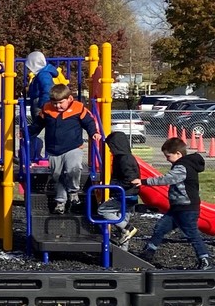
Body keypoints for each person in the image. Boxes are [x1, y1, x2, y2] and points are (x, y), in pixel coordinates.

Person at [134, 138, 212, 269]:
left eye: (168, 156)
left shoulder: (183, 167)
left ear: (178, 154)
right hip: (177, 207)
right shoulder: (182, 165)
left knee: (191, 233)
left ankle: (205, 259)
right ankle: (149, 252)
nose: (166, 159)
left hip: (187, 208)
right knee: (161, 228)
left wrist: (144, 181)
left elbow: (167, 179)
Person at [27, 84, 101, 214]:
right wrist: (27, 133)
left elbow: (89, 122)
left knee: (74, 168)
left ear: (69, 99)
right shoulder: (47, 109)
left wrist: (93, 132)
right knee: (57, 175)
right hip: (53, 149)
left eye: (61, 103)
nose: (58, 106)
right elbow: (37, 125)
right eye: (54, 103)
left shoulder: (78, 108)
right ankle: (60, 202)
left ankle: (73, 192)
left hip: (73, 147)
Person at [98, 132, 140, 246]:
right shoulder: (121, 157)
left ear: (117, 146)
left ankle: (128, 228)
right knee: (123, 224)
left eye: (111, 147)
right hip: (128, 194)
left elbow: (130, 180)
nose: (110, 150)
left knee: (103, 210)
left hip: (125, 195)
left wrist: (111, 184)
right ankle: (123, 252)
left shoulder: (124, 159)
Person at [25, 51, 59, 117]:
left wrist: (43, 105)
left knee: (40, 122)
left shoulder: (43, 74)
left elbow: (47, 90)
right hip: (40, 100)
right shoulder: (41, 73)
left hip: (40, 101)